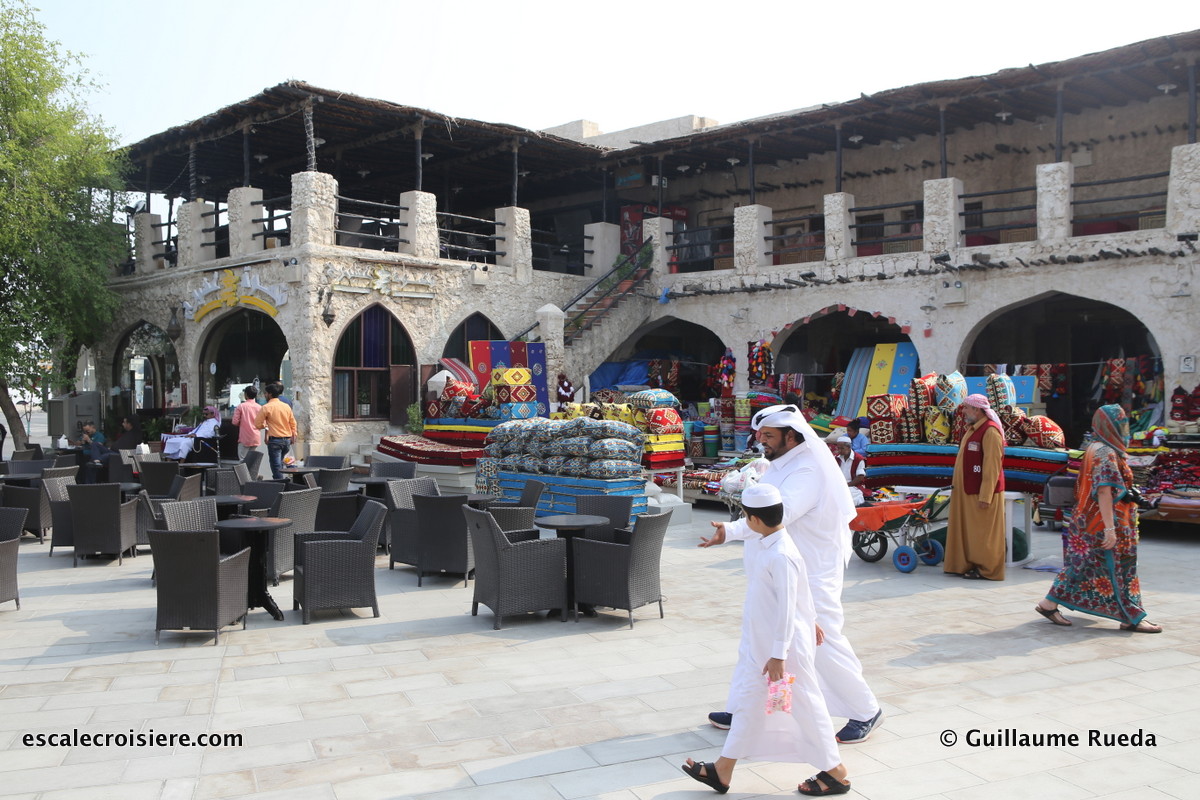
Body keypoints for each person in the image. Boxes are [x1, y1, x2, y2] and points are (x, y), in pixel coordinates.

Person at [701, 404, 884, 745]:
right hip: (776, 568)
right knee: (755, 636)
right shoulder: (782, 464)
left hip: (810, 572)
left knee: (821, 640)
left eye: (769, 436)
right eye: (760, 436)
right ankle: (743, 708)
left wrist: (730, 530)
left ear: (792, 435)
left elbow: (774, 515)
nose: (762, 442)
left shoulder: (807, 471)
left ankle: (864, 709)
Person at [682, 483, 851, 796]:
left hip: (782, 655)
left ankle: (837, 772)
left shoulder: (781, 554)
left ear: (756, 520)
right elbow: (800, 592)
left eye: (746, 517)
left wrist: (779, 655)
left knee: (803, 706)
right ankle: (723, 770)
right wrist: (728, 532)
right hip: (763, 649)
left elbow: (788, 606)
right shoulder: (770, 539)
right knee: (750, 703)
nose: (745, 523)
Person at [1035, 405, 1163, 633]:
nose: (1124, 428)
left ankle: (1049, 603)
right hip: (1103, 522)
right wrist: (1110, 529)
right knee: (1122, 569)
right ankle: (1132, 617)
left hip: (1086, 519)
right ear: (1110, 425)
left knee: (1082, 565)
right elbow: (1104, 491)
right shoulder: (1106, 453)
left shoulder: (1094, 446)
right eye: (1120, 423)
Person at [944, 394, 1006, 580]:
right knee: (969, 531)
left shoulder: (990, 432)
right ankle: (964, 564)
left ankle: (987, 569)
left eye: (967, 408)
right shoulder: (973, 429)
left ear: (978, 410)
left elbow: (992, 468)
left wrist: (985, 496)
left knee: (983, 533)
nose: (963, 412)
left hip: (981, 493)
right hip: (967, 490)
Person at [256, 382, 297, 480]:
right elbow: (293, 423)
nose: (265, 395)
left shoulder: (266, 407)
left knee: (276, 468)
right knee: (282, 464)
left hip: (275, 440)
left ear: (270, 394)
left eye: (265, 393)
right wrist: (293, 435)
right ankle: (286, 483)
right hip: (287, 440)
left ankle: (281, 486)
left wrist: (265, 425)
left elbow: (257, 424)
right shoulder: (286, 406)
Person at [231, 386, 265, 461]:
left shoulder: (241, 407)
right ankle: (251, 473)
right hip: (255, 437)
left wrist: (242, 423)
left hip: (244, 437)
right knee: (252, 461)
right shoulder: (260, 407)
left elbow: (235, 422)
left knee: (242, 460)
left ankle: (243, 473)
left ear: (246, 394)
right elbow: (263, 424)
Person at [834, 435, 867, 506]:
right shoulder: (836, 458)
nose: (839, 450)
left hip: (853, 486)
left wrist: (847, 485)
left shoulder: (859, 459)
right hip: (839, 485)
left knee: (850, 497)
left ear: (849, 448)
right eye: (838, 448)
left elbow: (860, 477)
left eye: (842, 448)